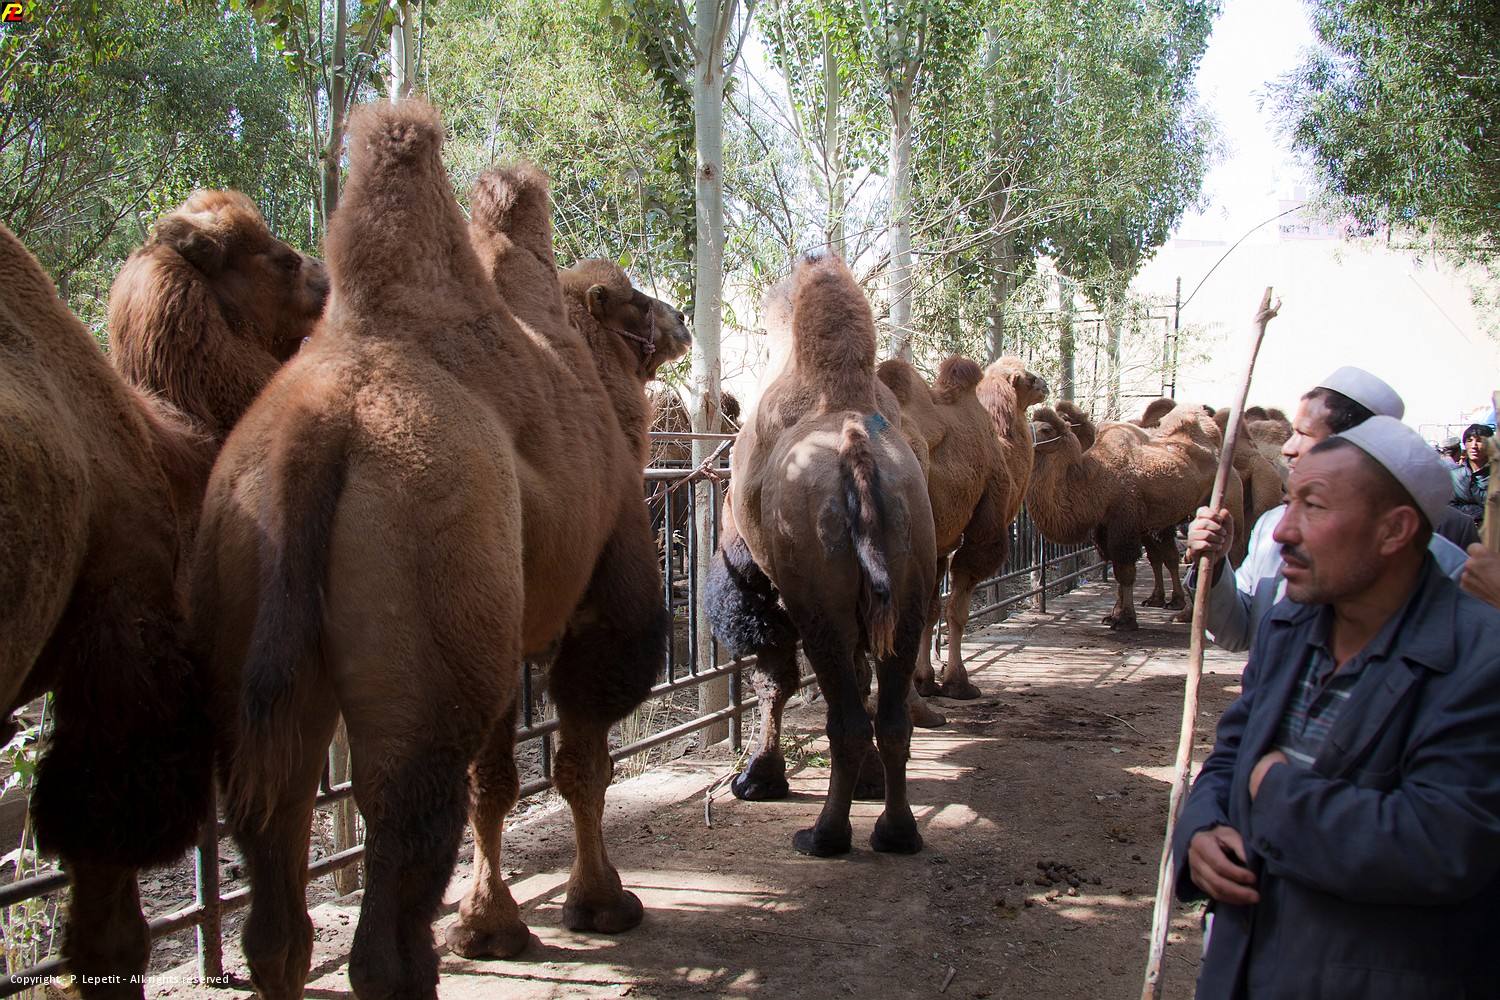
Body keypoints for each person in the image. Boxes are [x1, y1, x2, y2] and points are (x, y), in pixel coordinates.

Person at [1174, 416, 1500, 999]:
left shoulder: (1478, 661)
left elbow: (1439, 844)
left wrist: (1276, 792)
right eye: (1289, 502)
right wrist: (1200, 830)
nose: (1282, 531)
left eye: (1315, 507)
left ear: (1394, 529)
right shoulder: (1290, 625)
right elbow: (1231, 755)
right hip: (1243, 968)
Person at [1186, 367, 1467, 651]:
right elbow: (1239, 632)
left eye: (1304, 433)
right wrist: (1215, 566)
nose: (1288, 448)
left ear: (1353, 445)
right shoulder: (1272, 527)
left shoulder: (1446, 570)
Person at [1451, 421, 1492, 528]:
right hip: (1463, 530)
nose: (1474, 446)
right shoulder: (1456, 476)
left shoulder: (1496, 475)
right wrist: (1478, 511)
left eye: (1479, 441)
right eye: (1469, 441)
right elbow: (1449, 507)